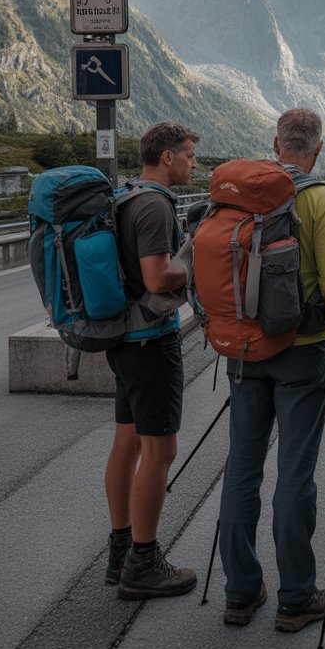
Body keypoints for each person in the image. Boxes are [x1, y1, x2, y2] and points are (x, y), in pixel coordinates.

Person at [219, 108, 325, 631]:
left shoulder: (241, 195)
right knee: (294, 472)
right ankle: (296, 597)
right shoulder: (320, 199)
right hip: (302, 350)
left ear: (276, 144)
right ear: (317, 150)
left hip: (245, 350)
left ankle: (240, 591)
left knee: (242, 468)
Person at [106, 121, 201, 599]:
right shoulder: (155, 204)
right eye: (188, 155)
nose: (194, 164)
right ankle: (143, 562)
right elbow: (158, 277)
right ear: (167, 157)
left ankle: (120, 551)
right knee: (160, 451)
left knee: (127, 442)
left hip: (122, 337)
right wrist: (195, 259)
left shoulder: (126, 196)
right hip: (150, 341)